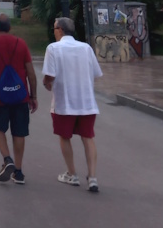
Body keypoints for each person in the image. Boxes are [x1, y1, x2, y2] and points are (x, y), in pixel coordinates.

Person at [43, 17, 104, 193]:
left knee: (64, 136)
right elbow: (95, 73)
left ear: (60, 29)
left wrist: (46, 83)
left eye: (54, 28)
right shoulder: (86, 48)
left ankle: (72, 173)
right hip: (86, 102)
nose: (54, 31)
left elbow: (50, 75)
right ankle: (92, 177)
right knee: (88, 137)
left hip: (64, 102)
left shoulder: (53, 48)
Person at [0, 13, 38, 185]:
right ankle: (18, 172)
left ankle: (7, 159)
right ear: (10, 27)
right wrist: (33, 96)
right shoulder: (21, 43)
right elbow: (31, 73)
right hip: (20, 96)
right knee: (19, 132)